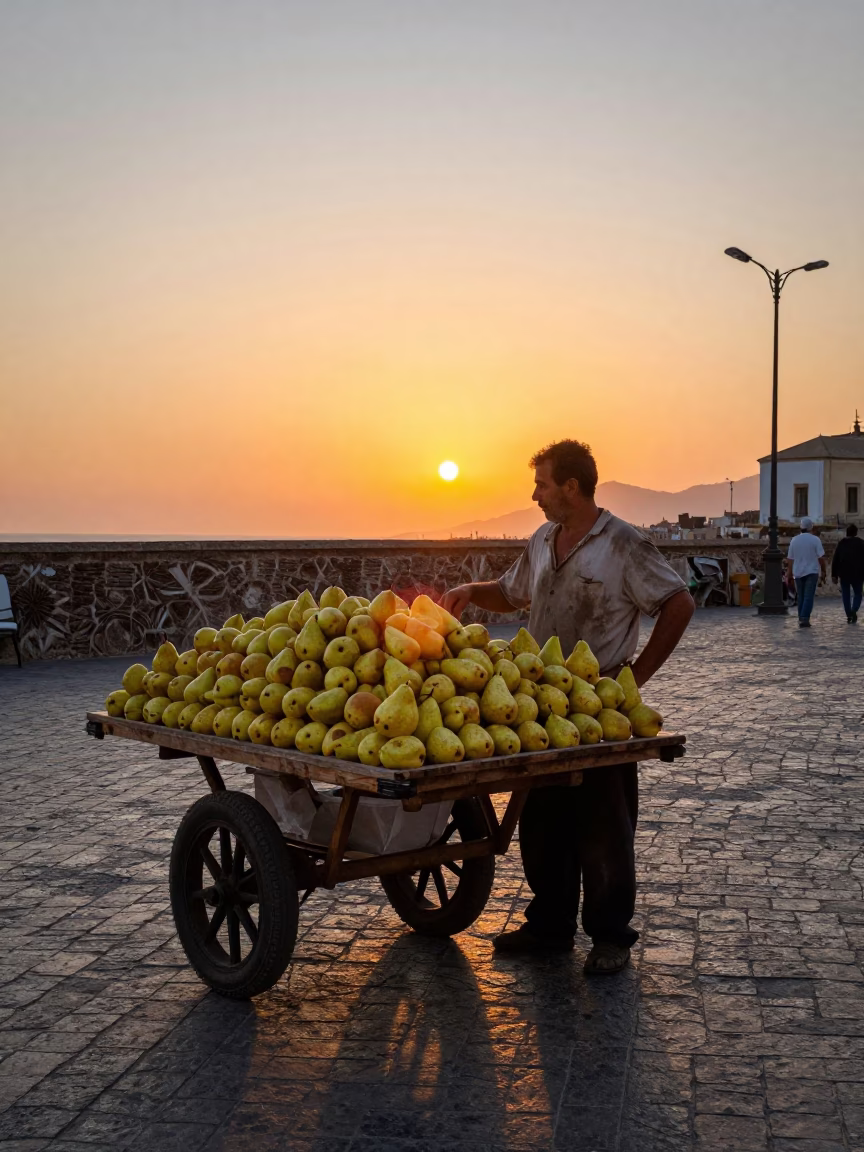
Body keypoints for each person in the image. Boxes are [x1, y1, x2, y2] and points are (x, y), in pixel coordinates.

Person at [441, 440, 694, 974]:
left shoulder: (624, 543)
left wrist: (635, 679)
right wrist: (469, 589)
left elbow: (679, 602)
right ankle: (550, 926)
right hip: (538, 701)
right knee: (542, 819)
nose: (535, 495)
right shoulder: (542, 540)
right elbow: (512, 594)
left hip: (599, 703)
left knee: (604, 819)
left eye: (542, 485)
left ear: (572, 488)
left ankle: (609, 937)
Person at [785, 518, 826, 628]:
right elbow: (821, 557)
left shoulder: (794, 540)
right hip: (812, 571)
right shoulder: (815, 540)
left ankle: (801, 617)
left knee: (801, 596)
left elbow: (790, 559)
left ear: (801, 527)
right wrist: (823, 570)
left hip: (798, 572)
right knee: (808, 596)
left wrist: (789, 573)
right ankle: (804, 618)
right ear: (811, 527)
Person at [831, 523, 864, 623]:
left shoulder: (842, 543)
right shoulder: (861, 543)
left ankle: (849, 614)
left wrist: (834, 574)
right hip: (858, 573)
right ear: (856, 533)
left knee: (846, 594)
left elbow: (835, 559)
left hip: (844, 573)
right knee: (858, 593)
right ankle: (854, 610)